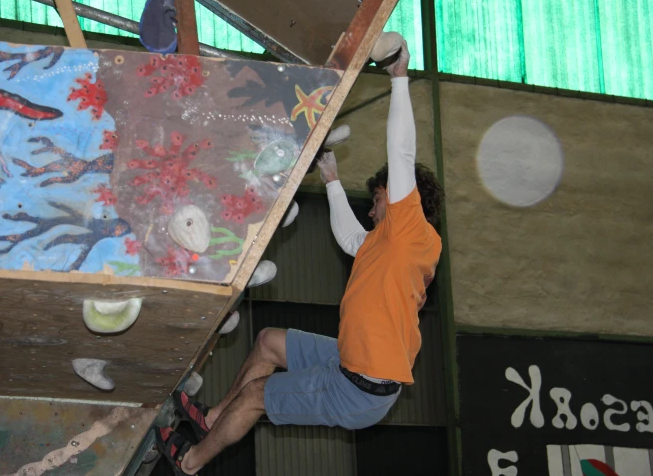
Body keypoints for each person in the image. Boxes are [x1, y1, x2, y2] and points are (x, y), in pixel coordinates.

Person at [155, 34, 445, 476]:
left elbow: (402, 153)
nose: (373, 206)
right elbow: (350, 240)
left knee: (257, 396)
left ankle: (189, 463)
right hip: (352, 359)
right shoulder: (388, 244)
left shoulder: (410, 230)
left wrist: (399, 78)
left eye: (380, 196)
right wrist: (330, 177)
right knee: (269, 341)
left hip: (361, 388)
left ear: (407, 198)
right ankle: (212, 420)